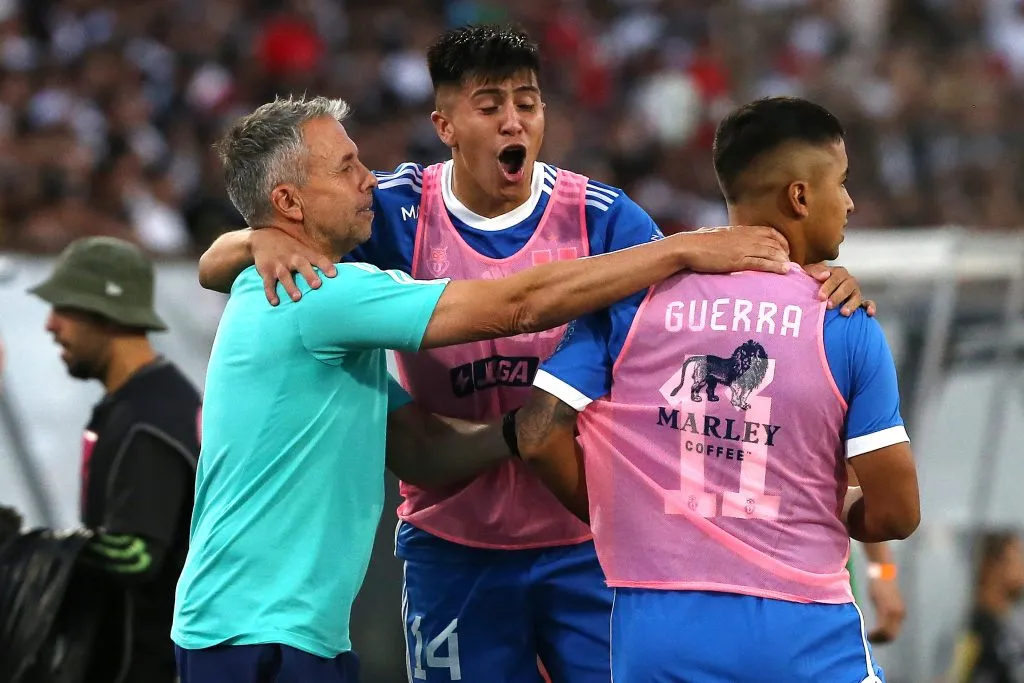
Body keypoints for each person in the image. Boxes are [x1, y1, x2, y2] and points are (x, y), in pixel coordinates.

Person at [196, 25, 872, 683]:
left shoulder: (603, 219)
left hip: (586, 544)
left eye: (527, 102)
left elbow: (712, 325)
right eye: (490, 106)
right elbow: (239, 261)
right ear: (445, 125)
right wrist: (256, 239)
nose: (513, 121)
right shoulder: (391, 212)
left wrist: (815, 287)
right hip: (453, 547)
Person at [510, 96, 921, 683]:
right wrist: (867, 548)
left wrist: (620, 513)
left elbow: (536, 434)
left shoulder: (632, 301)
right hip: (801, 635)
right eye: (843, 182)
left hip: (656, 633)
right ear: (800, 197)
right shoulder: (842, 321)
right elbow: (897, 510)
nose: (851, 201)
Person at [27, 236, 202, 683]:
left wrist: (31, 551)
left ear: (106, 313)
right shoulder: (141, 401)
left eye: (65, 309)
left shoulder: (150, 419)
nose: (50, 325)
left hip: (146, 667)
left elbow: (136, 555)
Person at [950, 530, 1024, 683]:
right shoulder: (975, 633)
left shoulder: (1005, 627)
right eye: (1018, 556)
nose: (1022, 568)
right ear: (992, 564)